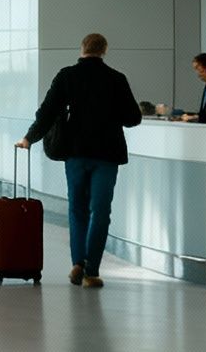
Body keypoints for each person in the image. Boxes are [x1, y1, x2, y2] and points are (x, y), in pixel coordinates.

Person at [14, 33, 142, 288]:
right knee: (101, 211)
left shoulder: (66, 76)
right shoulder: (116, 79)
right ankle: (91, 270)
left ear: (82, 48)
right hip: (107, 154)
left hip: (76, 152)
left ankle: (77, 262)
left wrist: (29, 138)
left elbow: (47, 112)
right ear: (104, 50)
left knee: (77, 209)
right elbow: (133, 118)